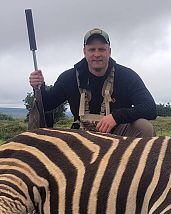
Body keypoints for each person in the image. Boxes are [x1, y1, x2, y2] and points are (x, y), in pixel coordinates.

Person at [29, 28, 157, 137]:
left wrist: (116, 117)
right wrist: (39, 87)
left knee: (144, 127)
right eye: (92, 49)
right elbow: (46, 104)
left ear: (109, 51)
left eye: (101, 49)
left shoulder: (127, 76)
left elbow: (150, 108)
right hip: (83, 137)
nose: (97, 54)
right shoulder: (69, 78)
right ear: (84, 52)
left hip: (118, 137)